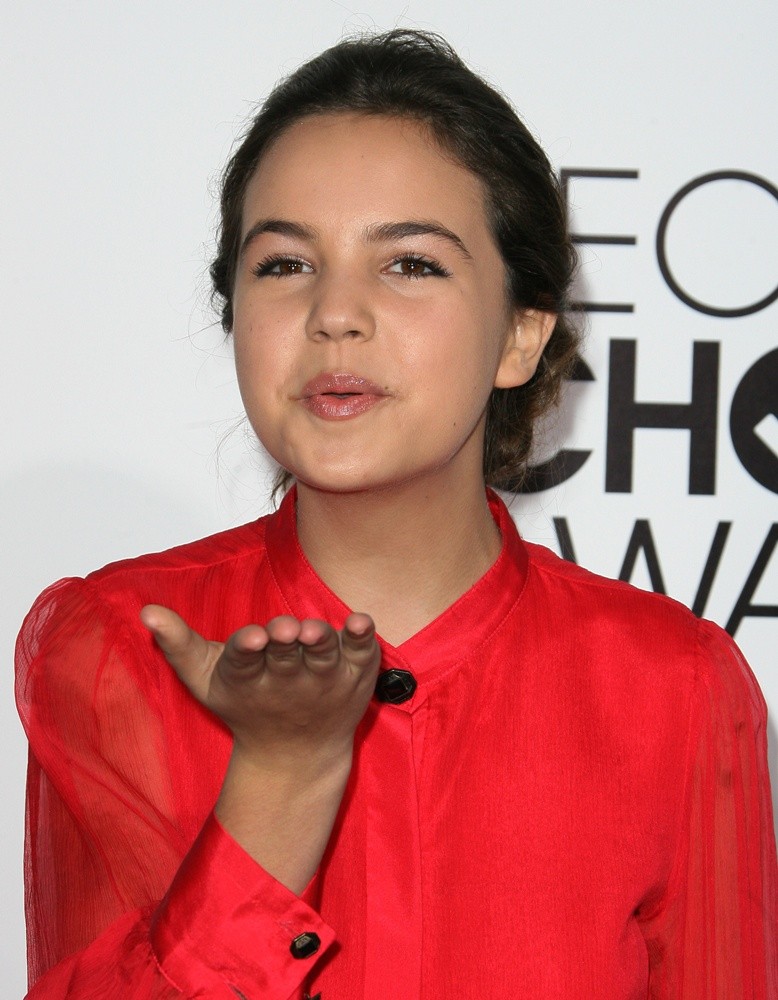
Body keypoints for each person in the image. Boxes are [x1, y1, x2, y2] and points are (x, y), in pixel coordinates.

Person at [15, 29, 777, 1000]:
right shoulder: (119, 651)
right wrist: (281, 783)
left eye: (410, 264)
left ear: (521, 334)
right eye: (283, 264)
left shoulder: (678, 690)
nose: (335, 312)